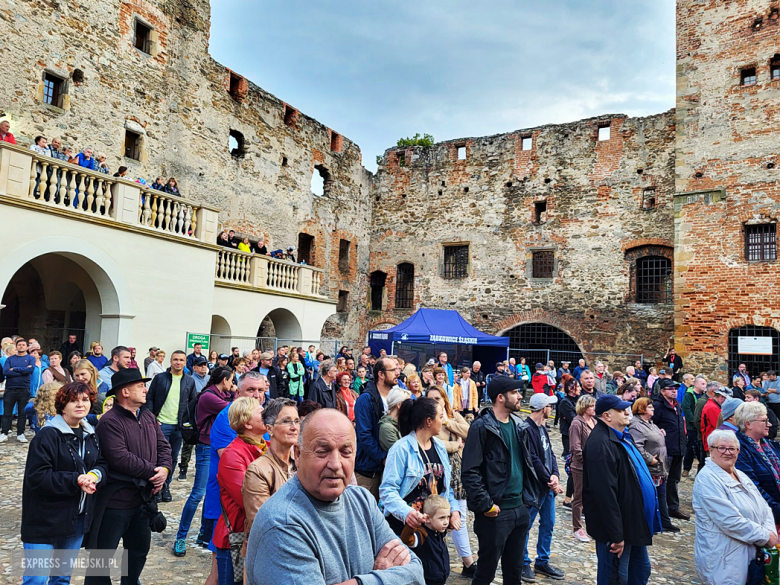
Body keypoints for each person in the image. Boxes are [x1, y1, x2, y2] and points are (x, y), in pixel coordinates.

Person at [246, 408, 424, 584]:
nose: (336, 464)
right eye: (322, 451)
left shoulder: (363, 501)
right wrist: (383, 578)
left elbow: (416, 572)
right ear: (298, 454)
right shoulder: (282, 523)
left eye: (346, 452)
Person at [84, 368, 172, 585]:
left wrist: (165, 470)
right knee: (102, 557)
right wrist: (154, 473)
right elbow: (120, 458)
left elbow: (164, 446)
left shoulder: (148, 415)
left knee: (138, 552)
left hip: (142, 501)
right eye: (140, 386)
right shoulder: (110, 421)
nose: (145, 389)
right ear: (124, 391)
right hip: (116, 501)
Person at [21, 381, 105, 585]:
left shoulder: (90, 434)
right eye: (73, 400)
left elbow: (101, 463)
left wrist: (94, 475)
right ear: (62, 404)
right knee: (37, 579)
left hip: (74, 519)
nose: (80, 404)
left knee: (61, 578)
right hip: (44, 520)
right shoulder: (47, 436)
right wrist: (75, 479)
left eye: (85, 400)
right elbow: (37, 477)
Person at [461, 376, 541, 585]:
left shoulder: (518, 425)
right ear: (500, 397)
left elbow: (527, 463)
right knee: (485, 573)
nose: (519, 396)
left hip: (519, 509)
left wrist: (526, 501)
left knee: (514, 573)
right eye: (515, 392)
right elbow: (470, 471)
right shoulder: (481, 427)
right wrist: (486, 505)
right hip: (495, 513)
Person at [583, 395, 660, 585]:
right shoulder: (601, 444)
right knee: (616, 578)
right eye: (621, 410)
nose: (628, 412)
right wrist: (616, 535)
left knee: (640, 571)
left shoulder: (622, 435)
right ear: (607, 416)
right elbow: (604, 494)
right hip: (619, 531)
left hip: (633, 523)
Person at [196, 372, 264, 572]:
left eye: (260, 390)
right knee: (221, 572)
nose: (256, 395)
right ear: (238, 390)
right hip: (226, 506)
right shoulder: (229, 417)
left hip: (249, 507)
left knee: (242, 572)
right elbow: (232, 461)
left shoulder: (260, 418)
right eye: (250, 390)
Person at [693, 429, 777, 585]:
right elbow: (729, 521)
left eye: (732, 449)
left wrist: (770, 532)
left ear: (738, 451)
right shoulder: (707, 479)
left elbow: (764, 508)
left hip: (749, 555)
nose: (727, 452)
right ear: (711, 450)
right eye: (721, 448)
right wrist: (765, 536)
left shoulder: (740, 475)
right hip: (725, 560)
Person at [379, 398, 462, 536]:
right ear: (429, 421)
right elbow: (387, 491)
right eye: (440, 417)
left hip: (433, 529)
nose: (443, 422)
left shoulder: (440, 447)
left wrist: (454, 511)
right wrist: (407, 513)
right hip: (406, 530)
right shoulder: (401, 449)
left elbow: (446, 488)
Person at [214, 397, 267, 585]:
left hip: (259, 537)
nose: (267, 414)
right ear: (246, 423)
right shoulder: (232, 455)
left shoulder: (266, 448)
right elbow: (249, 499)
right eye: (261, 412)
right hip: (235, 539)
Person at [426, 385, 475, 577]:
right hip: (439, 473)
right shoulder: (428, 420)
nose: (435, 402)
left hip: (460, 473)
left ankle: (465, 562)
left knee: (457, 516)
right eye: (431, 399)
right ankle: (468, 562)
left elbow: (469, 431)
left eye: (438, 398)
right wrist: (455, 445)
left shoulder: (451, 416)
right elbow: (432, 443)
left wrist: (449, 423)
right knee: (450, 517)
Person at [522, 393, 565, 581]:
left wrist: (555, 474)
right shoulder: (526, 429)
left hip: (547, 486)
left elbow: (551, 455)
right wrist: (550, 479)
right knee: (526, 526)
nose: (552, 409)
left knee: (548, 523)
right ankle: (522, 562)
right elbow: (533, 459)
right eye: (549, 406)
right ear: (542, 408)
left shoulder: (542, 427)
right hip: (534, 487)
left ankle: (542, 561)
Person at [143, 350, 196, 501]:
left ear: (185, 362)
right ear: (170, 361)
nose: (178, 362)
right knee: (158, 456)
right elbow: (150, 398)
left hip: (178, 427)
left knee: (172, 457)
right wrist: (152, 417)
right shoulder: (160, 378)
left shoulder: (189, 381)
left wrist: (187, 424)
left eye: (181, 360)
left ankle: (166, 486)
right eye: (175, 360)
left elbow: (192, 404)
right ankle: (155, 487)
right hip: (161, 424)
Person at [242, 398, 298, 538]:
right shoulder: (258, 470)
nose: (294, 427)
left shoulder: (302, 462)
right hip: (275, 549)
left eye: (297, 421)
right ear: (269, 428)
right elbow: (263, 523)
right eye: (286, 421)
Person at [629, 397, 677, 532]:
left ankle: (663, 522)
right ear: (642, 408)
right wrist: (650, 459)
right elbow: (637, 446)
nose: (653, 409)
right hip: (650, 468)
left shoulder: (651, 423)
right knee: (648, 497)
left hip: (660, 467)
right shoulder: (636, 425)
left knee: (661, 495)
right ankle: (646, 524)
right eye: (650, 407)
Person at [354, 357, 396, 500]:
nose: (397, 373)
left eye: (398, 369)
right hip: (369, 471)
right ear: (381, 374)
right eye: (393, 370)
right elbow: (365, 436)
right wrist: (384, 458)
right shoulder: (366, 399)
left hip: (390, 471)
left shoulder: (396, 397)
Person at [733, 400, 780, 524]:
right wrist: (776, 510)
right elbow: (751, 486)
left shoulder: (769, 445)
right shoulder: (739, 450)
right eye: (764, 420)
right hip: (763, 518)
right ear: (748, 424)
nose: (769, 424)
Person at [652, 379, 689, 523]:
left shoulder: (677, 404)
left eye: (675, 388)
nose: (674, 390)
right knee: (663, 480)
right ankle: (661, 510)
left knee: (674, 479)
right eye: (670, 388)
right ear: (662, 391)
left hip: (678, 447)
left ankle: (673, 507)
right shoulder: (658, 406)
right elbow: (651, 425)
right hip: (665, 449)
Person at [400, 494, 452, 585]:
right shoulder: (422, 533)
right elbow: (408, 540)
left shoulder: (439, 531)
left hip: (441, 579)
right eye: (442, 518)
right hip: (427, 580)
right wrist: (412, 526)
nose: (446, 522)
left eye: (448, 517)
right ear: (428, 519)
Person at [569, 394, 596, 542]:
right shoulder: (577, 423)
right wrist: (584, 461)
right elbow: (575, 447)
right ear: (584, 407)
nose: (593, 408)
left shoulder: (594, 421)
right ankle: (577, 528)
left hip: (593, 466)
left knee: (590, 496)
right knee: (578, 497)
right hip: (580, 466)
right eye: (591, 406)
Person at [1, 338, 35, 443]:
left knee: (22, 413)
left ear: (27, 347)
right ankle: (4, 433)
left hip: (24, 389)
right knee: (7, 412)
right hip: (10, 389)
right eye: (19, 345)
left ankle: (20, 433)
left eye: (23, 345)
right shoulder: (10, 359)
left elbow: (30, 370)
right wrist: (23, 370)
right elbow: (6, 372)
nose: (21, 346)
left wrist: (15, 369)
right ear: (16, 346)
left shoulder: (30, 358)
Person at [557, 375, 579, 509]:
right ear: (571, 388)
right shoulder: (565, 402)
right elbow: (574, 419)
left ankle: (572, 498)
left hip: (576, 435)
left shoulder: (577, 400)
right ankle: (567, 500)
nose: (580, 389)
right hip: (569, 436)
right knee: (573, 469)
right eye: (577, 386)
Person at [683, 374, 707, 476]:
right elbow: (687, 409)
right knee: (691, 447)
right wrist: (693, 422)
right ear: (696, 384)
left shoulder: (704, 395)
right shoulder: (689, 395)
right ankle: (686, 468)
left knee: (700, 448)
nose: (704, 386)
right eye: (702, 383)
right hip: (692, 426)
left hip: (701, 426)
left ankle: (700, 470)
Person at [702, 385, 732, 456]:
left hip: (714, 442)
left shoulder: (713, 406)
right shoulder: (712, 407)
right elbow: (719, 425)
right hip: (713, 443)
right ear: (721, 397)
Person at [379, 388, 411, 452]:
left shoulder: (401, 423)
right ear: (399, 405)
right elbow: (401, 452)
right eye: (408, 402)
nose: (410, 405)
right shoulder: (386, 428)